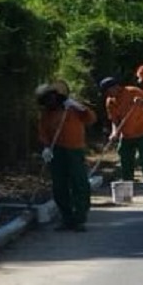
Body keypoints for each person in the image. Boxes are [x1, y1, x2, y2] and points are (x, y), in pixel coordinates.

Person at [36, 80, 94, 231]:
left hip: (75, 150)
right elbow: (43, 132)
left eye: (51, 98)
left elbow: (91, 119)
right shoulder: (46, 113)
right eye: (46, 100)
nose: (49, 102)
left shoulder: (72, 108)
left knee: (79, 183)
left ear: (56, 96)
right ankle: (67, 218)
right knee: (59, 186)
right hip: (56, 152)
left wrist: (80, 108)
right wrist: (46, 148)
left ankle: (79, 219)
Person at [101, 75, 143, 193]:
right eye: (106, 92)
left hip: (142, 131)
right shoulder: (110, 102)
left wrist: (142, 101)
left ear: (115, 87)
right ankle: (128, 185)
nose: (108, 94)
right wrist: (114, 132)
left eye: (108, 91)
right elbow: (114, 120)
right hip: (126, 134)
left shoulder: (132, 91)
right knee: (124, 157)